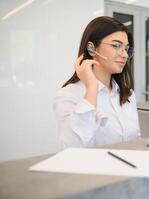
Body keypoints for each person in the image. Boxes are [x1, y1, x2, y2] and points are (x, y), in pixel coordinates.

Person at [53, 16, 141, 149]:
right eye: (116, 45)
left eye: (126, 48)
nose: (124, 55)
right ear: (92, 48)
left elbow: (136, 140)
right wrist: (92, 89)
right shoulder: (68, 95)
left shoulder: (127, 95)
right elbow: (72, 148)